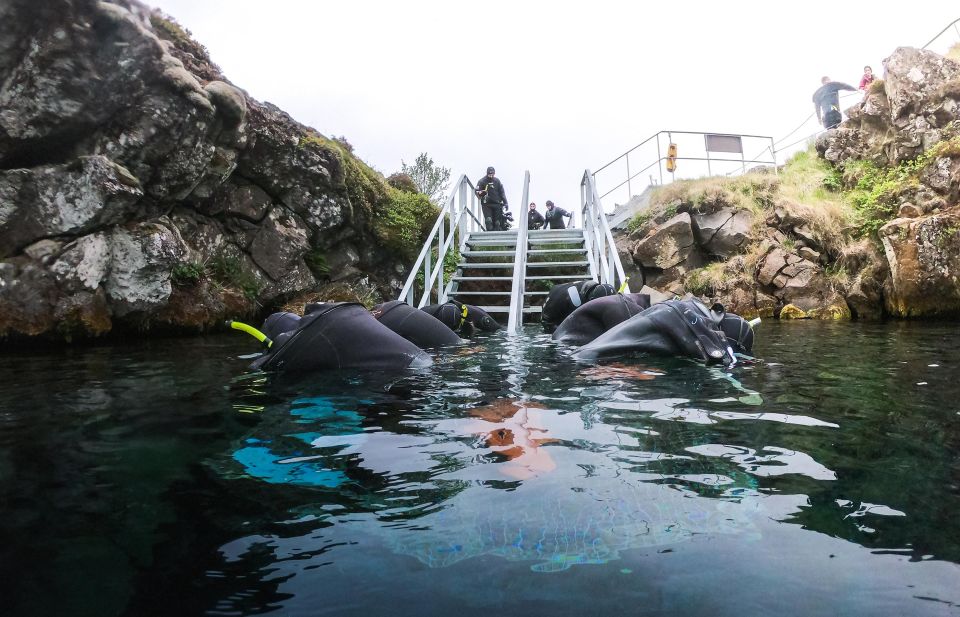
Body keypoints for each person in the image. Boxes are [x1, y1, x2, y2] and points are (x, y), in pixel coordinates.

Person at [475, 166, 508, 231]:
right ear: (487, 173)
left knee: (497, 223)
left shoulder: (497, 181)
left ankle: (497, 239)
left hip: (497, 204)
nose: (491, 175)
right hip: (486, 204)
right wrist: (481, 193)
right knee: (488, 221)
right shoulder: (481, 181)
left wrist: (505, 202)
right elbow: (477, 192)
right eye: (489, 174)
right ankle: (489, 237)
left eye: (492, 174)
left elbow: (502, 192)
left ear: (494, 173)